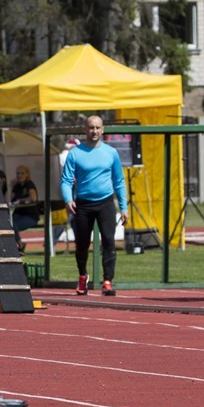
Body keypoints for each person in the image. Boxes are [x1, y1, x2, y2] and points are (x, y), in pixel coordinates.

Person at [61, 115, 128, 296]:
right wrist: (68, 199)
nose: (95, 131)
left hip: (105, 202)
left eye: (98, 128)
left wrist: (124, 207)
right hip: (82, 204)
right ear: (85, 130)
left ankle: (107, 281)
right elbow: (66, 180)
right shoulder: (75, 153)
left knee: (108, 241)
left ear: (103, 129)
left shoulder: (111, 153)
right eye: (91, 128)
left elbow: (119, 181)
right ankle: (83, 277)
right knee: (82, 244)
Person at [9, 165, 39, 254]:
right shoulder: (17, 186)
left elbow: (33, 198)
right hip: (18, 213)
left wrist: (21, 200)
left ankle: (19, 244)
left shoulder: (29, 184)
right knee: (8, 222)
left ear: (27, 174)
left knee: (13, 224)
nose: (20, 175)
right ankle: (19, 244)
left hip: (30, 216)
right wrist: (12, 187)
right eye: (18, 173)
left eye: (22, 173)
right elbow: (11, 199)